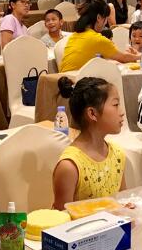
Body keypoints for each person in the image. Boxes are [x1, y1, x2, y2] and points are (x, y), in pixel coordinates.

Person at [52, 77, 126, 209]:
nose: (122, 112)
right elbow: (61, 218)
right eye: (115, 105)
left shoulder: (117, 155)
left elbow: (122, 202)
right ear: (92, 113)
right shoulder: (69, 167)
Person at [60, 0, 140, 72]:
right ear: (99, 18)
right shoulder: (97, 39)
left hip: (64, 78)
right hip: (78, 79)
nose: (105, 23)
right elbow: (123, 58)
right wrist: (140, 56)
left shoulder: (75, 35)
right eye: (106, 18)